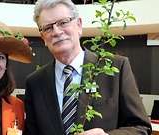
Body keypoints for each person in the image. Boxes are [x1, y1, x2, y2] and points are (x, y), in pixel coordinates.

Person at [24, 0, 151, 135]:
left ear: (79, 25)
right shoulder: (35, 82)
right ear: (43, 37)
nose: (56, 31)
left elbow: (141, 127)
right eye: (48, 27)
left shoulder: (116, 69)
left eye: (63, 22)